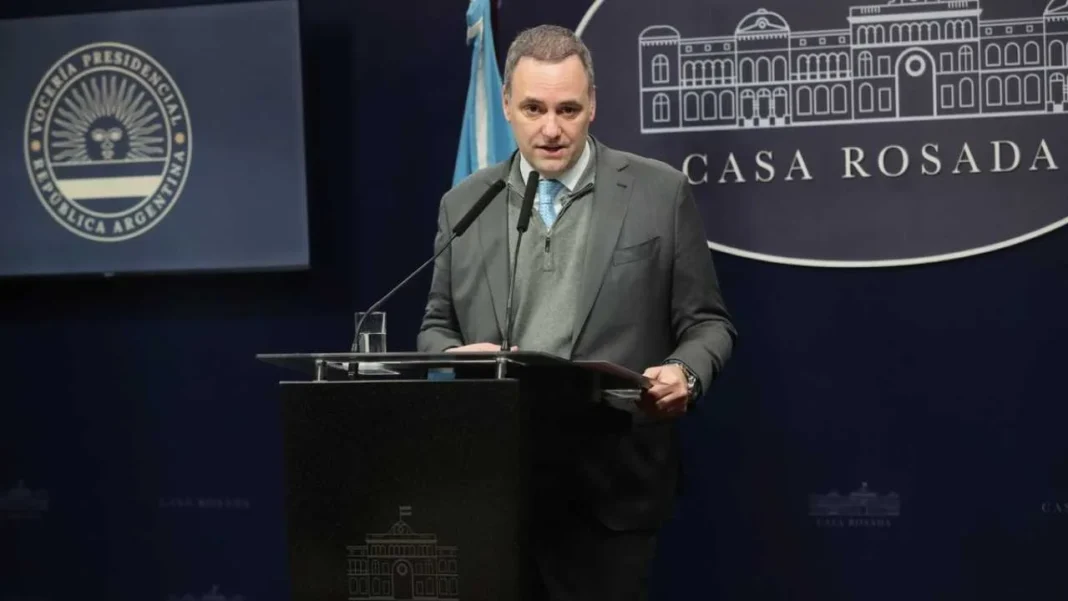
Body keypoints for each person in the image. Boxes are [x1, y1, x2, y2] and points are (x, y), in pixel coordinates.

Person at [417, 24, 737, 600]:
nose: (551, 128)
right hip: (492, 487)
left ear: (593, 106)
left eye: (568, 108)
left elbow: (707, 323)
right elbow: (436, 326)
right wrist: (452, 358)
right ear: (508, 108)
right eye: (534, 108)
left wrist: (685, 373)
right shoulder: (463, 204)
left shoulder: (658, 193)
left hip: (612, 489)